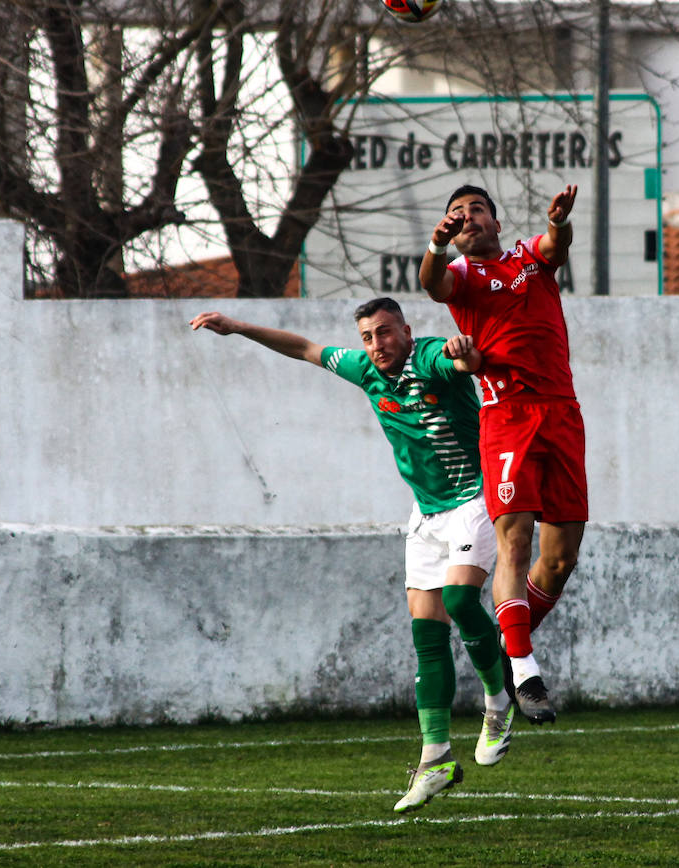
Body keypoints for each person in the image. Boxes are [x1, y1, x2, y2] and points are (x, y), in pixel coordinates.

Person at [189, 298, 515, 815]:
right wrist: (236, 327)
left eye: (385, 332)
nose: (376, 344)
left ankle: (498, 698)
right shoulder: (365, 370)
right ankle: (435, 759)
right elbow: (302, 348)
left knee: (459, 598)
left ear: (405, 331)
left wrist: (464, 354)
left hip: (474, 497)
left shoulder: (428, 356)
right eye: (367, 336)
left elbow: (464, 362)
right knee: (425, 633)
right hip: (425, 514)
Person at [418, 183, 587, 725]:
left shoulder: (528, 257)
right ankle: (524, 671)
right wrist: (436, 247)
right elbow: (433, 284)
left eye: (475, 210)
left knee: (558, 562)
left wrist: (559, 222)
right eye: (454, 214)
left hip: (561, 414)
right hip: (508, 419)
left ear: (494, 221)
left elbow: (554, 249)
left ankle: (506, 645)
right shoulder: (463, 276)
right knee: (513, 544)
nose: (465, 217)